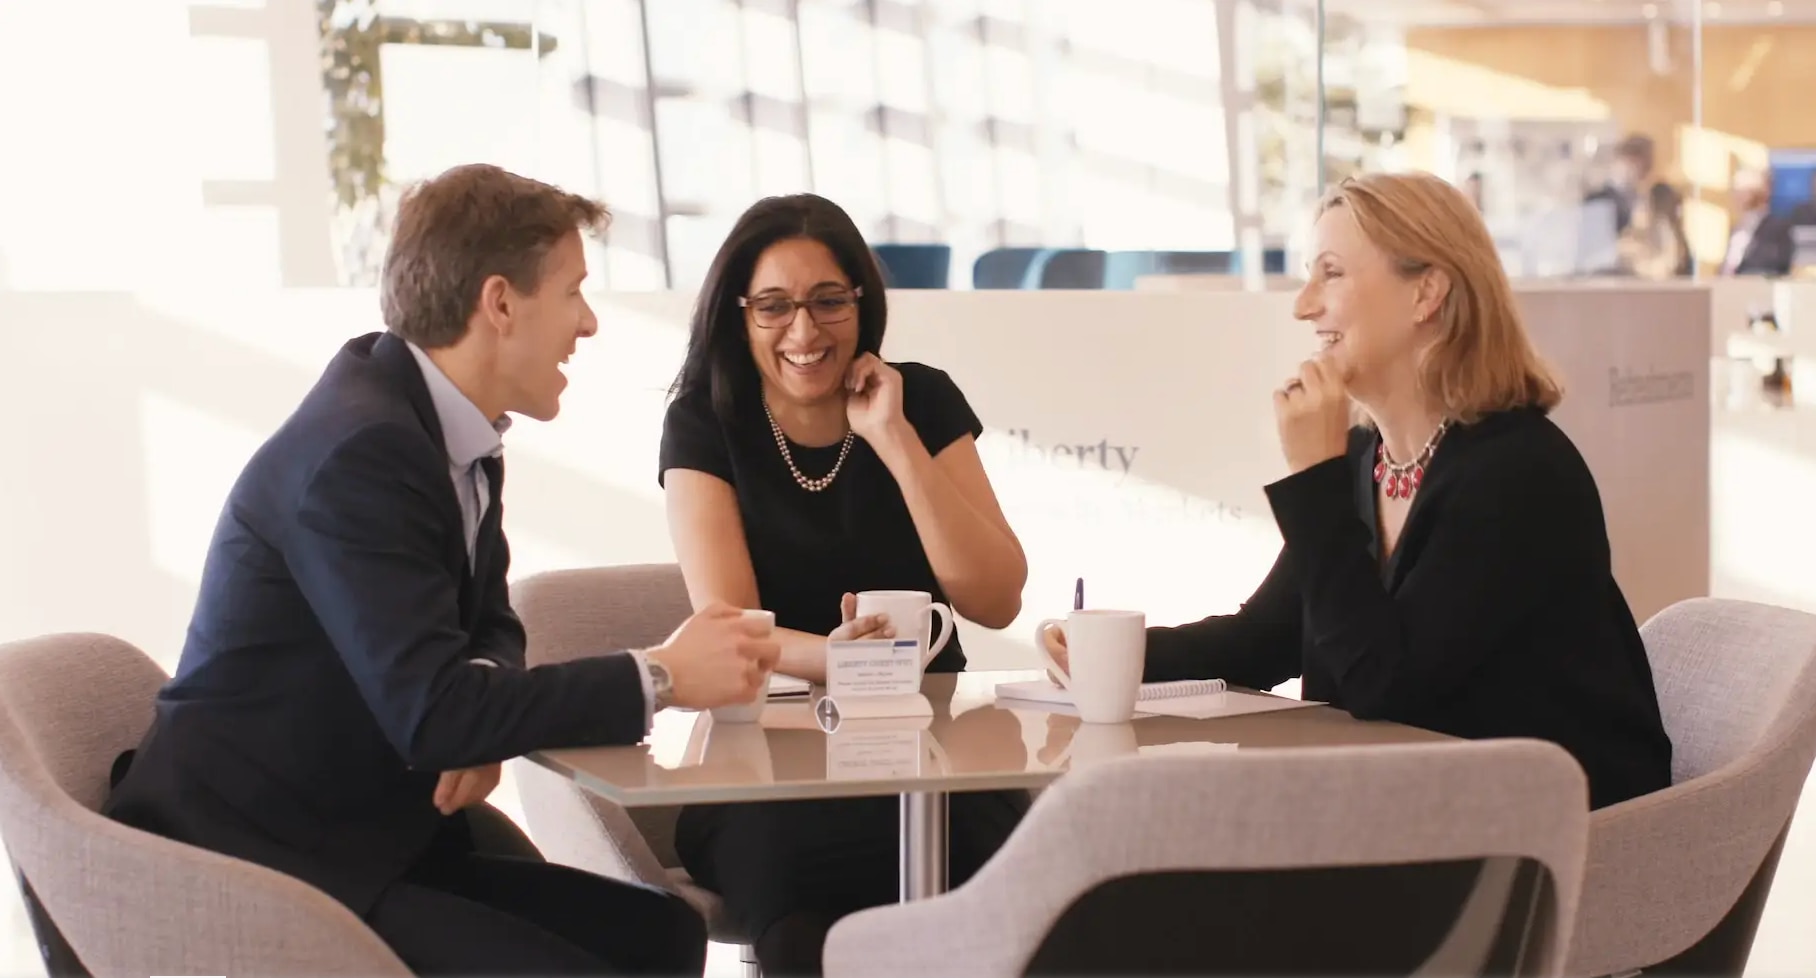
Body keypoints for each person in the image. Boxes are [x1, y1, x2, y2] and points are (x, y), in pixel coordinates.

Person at [103, 163, 781, 976]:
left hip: (366, 827)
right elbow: (433, 714)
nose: (590, 322)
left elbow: (489, 623)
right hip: (263, 856)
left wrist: (481, 710)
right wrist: (661, 676)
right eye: (572, 291)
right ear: (500, 303)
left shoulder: (448, 431)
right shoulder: (365, 452)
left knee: (660, 934)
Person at [1046, 171, 1673, 811]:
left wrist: (1311, 480)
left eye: (1332, 273)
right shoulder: (1365, 460)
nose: (1304, 304)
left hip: (1549, 839)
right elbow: (1262, 642)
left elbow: (1384, 687)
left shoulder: (1518, 472)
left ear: (1426, 291)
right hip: (1414, 809)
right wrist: (1109, 654)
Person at [659, 193, 1030, 975]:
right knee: (797, 896)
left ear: (862, 300)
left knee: (1022, 879)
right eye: (774, 307)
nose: (804, 331)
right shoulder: (705, 418)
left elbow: (997, 597)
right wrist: (840, 660)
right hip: (769, 773)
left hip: (932, 761)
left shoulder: (919, 400)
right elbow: (726, 621)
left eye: (828, 301)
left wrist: (894, 439)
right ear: (740, 313)